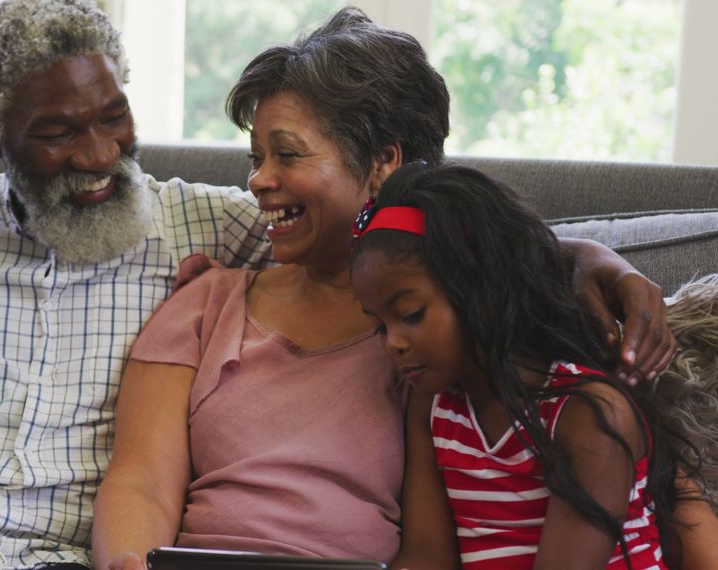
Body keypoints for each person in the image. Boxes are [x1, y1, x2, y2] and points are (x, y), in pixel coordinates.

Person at [0, 1, 675, 569]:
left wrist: (594, 261)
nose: (99, 154)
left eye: (112, 116)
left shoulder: (206, 224)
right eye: (57, 133)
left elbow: (450, 235)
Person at [91, 8, 678, 570]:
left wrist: (597, 261)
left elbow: (504, 263)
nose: (257, 180)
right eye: (256, 157)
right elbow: (141, 479)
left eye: (287, 154)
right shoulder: (205, 303)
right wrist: (126, 561)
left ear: (383, 164)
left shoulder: (449, 334)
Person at [350, 162, 718, 569]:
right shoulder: (433, 406)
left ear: (483, 289)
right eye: (379, 327)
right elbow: (427, 554)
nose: (393, 344)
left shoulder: (588, 415)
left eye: (411, 314)